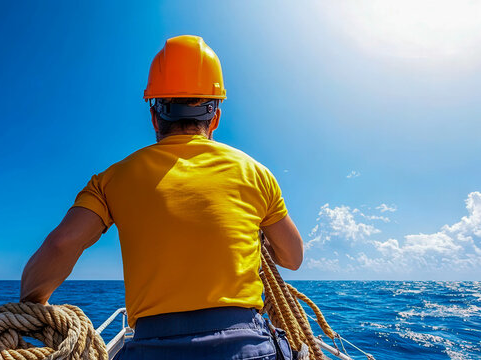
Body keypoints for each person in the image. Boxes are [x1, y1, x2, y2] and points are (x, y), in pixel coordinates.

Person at [20, 35, 304, 359]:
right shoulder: (255, 173)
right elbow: (293, 257)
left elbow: (61, 244)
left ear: (155, 117)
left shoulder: (112, 179)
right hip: (246, 349)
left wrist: (30, 307)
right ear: (216, 117)